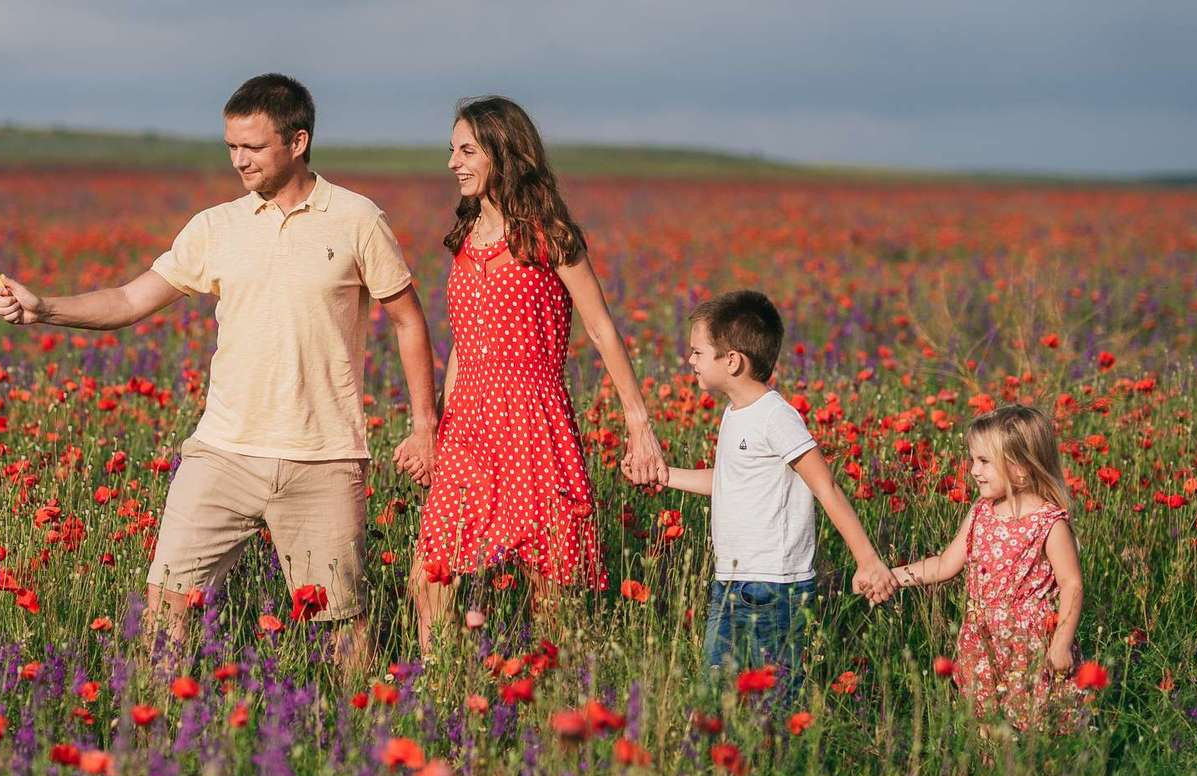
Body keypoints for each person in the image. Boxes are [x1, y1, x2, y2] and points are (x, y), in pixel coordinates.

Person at [0, 74, 438, 676]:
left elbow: (409, 322)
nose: (238, 161)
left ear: (298, 141)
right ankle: (154, 729)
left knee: (341, 623)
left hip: (324, 456)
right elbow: (129, 301)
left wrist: (424, 424)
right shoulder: (215, 226)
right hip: (222, 452)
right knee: (167, 599)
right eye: (231, 146)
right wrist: (46, 308)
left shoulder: (356, 219)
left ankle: (361, 736)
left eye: (252, 147)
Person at [407, 96, 667, 658]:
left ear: (504, 153)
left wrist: (638, 422)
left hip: (533, 422)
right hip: (467, 427)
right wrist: (438, 430)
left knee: (547, 581)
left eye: (467, 150)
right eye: (451, 149)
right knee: (431, 573)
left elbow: (600, 329)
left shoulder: (549, 235)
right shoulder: (464, 239)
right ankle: (437, 682)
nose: (453, 162)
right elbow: (462, 344)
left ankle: (548, 692)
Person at [657, 290, 896, 695]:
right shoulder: (735, 414)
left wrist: (867, 561)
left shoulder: (776, 416)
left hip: (775, 587)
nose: (690, 361)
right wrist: (663, 475)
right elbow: (729, 481)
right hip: (730, 581)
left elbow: (826, 486)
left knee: (775, 698)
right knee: (716, 693)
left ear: (731, 361)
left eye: (697, 352)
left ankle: (778, 755)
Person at [887, 404, 1085, 731]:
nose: (974, 471)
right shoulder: (982, 511)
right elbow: (946, 564)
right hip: (982, 639)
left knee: (1035, 724)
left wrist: (1061, 641)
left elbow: (1071, 584)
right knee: (986, 721)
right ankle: (988, 775)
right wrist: (892, 577)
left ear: (1021, 468)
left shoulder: (1049, 522)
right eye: (973, 460)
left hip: (1030, 644)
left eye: (984, 462)